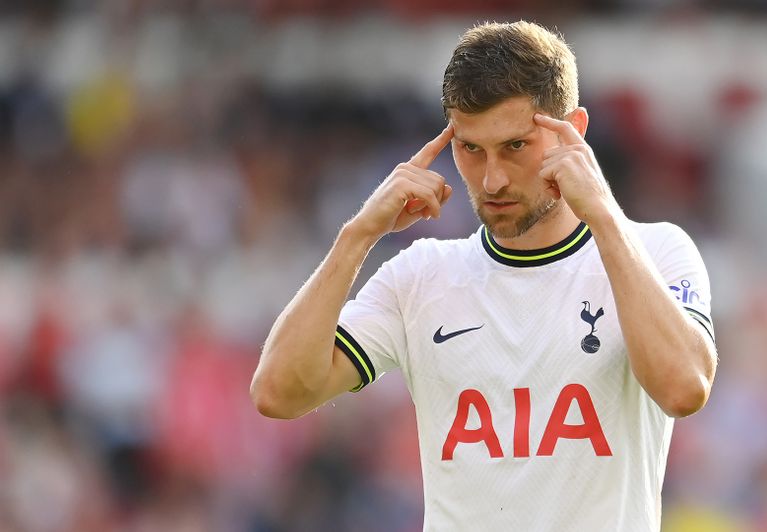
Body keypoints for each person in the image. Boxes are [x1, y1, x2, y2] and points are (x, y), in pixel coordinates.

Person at [251, 21, 717, 531]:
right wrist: (358, 236)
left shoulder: (655, 252)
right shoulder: (422, 275)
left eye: (515, 146)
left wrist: (603, 216)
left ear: (574, 131)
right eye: (471, 149)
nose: (492, 179)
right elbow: (278, 393)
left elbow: (684, 388)